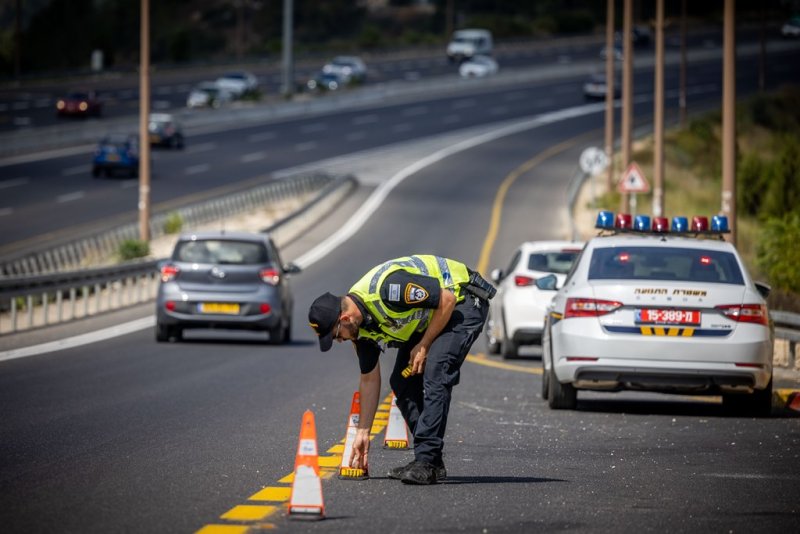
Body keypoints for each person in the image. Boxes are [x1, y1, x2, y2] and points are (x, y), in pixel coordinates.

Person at [308, 254, 495, 485]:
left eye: (336, 335)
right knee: (401, 381)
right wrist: (363, 433)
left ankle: (425, 461)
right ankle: (431, 461)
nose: (339, 341)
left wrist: (424, 345)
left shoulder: (388, 290)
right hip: (431, 315)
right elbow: (369, 379)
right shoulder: (360, 331)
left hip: (463, 300)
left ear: (345, 318)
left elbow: (445, 300)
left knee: (436, 371)